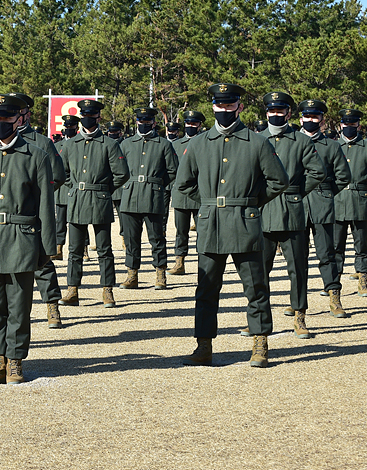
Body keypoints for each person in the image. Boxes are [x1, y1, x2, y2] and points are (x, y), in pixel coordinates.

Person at [174, 83, 288, 368]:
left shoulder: (257, 142)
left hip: (244, 224)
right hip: (210, 224)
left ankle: (260, 343)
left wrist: (250, 203)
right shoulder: (199, 143)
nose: (223, 110)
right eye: (219, 105)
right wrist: (209, 203)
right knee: (206, 288)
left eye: (229, 104)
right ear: (212, 106)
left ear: (239, 106)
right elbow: (184, 184)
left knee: (256, 286)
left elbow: (278, 180)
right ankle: (204, 345)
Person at [0, 94, 56, 384]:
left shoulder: (36, 156)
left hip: (22, 239)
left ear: (19, 119)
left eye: (5, 117)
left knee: (18, 305)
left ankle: (15, 361)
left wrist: (46, 248)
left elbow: (45, 206)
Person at [254, 92, 326, 339]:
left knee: (298, 268)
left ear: (288, 113)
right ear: (266, 113)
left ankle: (299, 317)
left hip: (292, 212)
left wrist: (295, 192)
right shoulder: (255, 139)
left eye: (280, 111)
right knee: (259, 271)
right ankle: (259, 320)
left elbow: (317, 172)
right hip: (262, 213)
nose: (276, 115)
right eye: (271, 111)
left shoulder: (301, 141)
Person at [58, 99, 130, 308]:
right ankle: (72, 289)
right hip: (77, 200)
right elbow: (63, 172)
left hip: (100, 201)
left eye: (91, 115)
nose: (87, 119)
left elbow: (122, 174)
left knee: (104, 249)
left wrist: (104, 189)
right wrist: (75, 186)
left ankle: (107, 290)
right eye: (84, 115)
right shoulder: (71, 144)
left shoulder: (109, 143)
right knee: (74, 250)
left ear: (98, 117)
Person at [7, 92, 67, 328]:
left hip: (32, 213)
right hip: (5, 212)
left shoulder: (42, 143)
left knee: (42, 261)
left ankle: (52, 306)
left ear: (26, 115)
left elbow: (59, 176)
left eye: (17, 113)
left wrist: (39, 196)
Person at [298, 100, 351, 317]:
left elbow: (343, 175)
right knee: (297, 258)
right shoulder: (292, 141)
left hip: (322, 205)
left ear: (321, 119)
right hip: (297, 206)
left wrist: (327, 193)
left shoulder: (332, 146)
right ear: (300, 118)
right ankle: (297, 301)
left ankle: (334, 297)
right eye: (307, 116)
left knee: (327, 254)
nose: (311, 120)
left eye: (315, 117)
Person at [118, 107, 178, 290]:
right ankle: (132, 275)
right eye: (140, 121)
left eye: (147, 122)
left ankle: (160, 274)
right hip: (130, 196)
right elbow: (118, 169)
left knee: (157, 238)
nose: (144, 125)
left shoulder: (163, 144)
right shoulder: (126, 144)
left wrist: (157, 184)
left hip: (153, 197)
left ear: (153, 122)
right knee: (131, 239)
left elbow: (173, 170)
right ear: (136, 122)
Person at [334, 109, 367, 298]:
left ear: (358, 125)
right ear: (341, 125)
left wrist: (363, 188)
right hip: (338, 201)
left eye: (352, 124)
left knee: (362, 245)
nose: (349, 127)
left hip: (360, 201)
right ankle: (334, 283)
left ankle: (363, 280)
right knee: (335, 246)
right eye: (346, 124)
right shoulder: (333, 146)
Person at [168, 110, 205, 275]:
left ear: (200, 125)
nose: (191, 126)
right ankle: (179, 262)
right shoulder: (175, 144)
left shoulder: (205, 143)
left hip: (200, 194)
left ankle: (204, 264)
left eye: (194, 123)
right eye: (188, 123)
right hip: (181, 194)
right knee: (180, 231)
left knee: (203, 231)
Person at [52, 114, 79, 261]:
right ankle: (58, 248)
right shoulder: (57, 146)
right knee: (60, 221)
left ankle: (84, 248)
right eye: (67, 127)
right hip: (62, 190)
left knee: (79, 221)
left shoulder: (79, 143)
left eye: (72, 127)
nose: (69, 129)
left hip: (76, 189)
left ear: (77, 128)